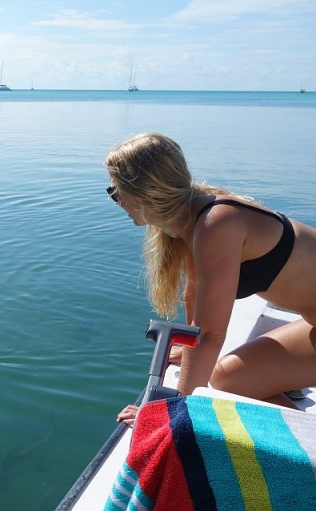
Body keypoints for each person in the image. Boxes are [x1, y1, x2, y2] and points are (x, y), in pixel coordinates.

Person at [104, 132, 316, 426]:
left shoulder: (215, 223)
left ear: (143, 192)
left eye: (116, 192)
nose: (117, 201)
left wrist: (170, 413)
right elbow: (195, 294)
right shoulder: (194, 218)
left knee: (226, 383)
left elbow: (210, 335)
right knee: (227, 380)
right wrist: (187, 350)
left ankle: (303, 441)